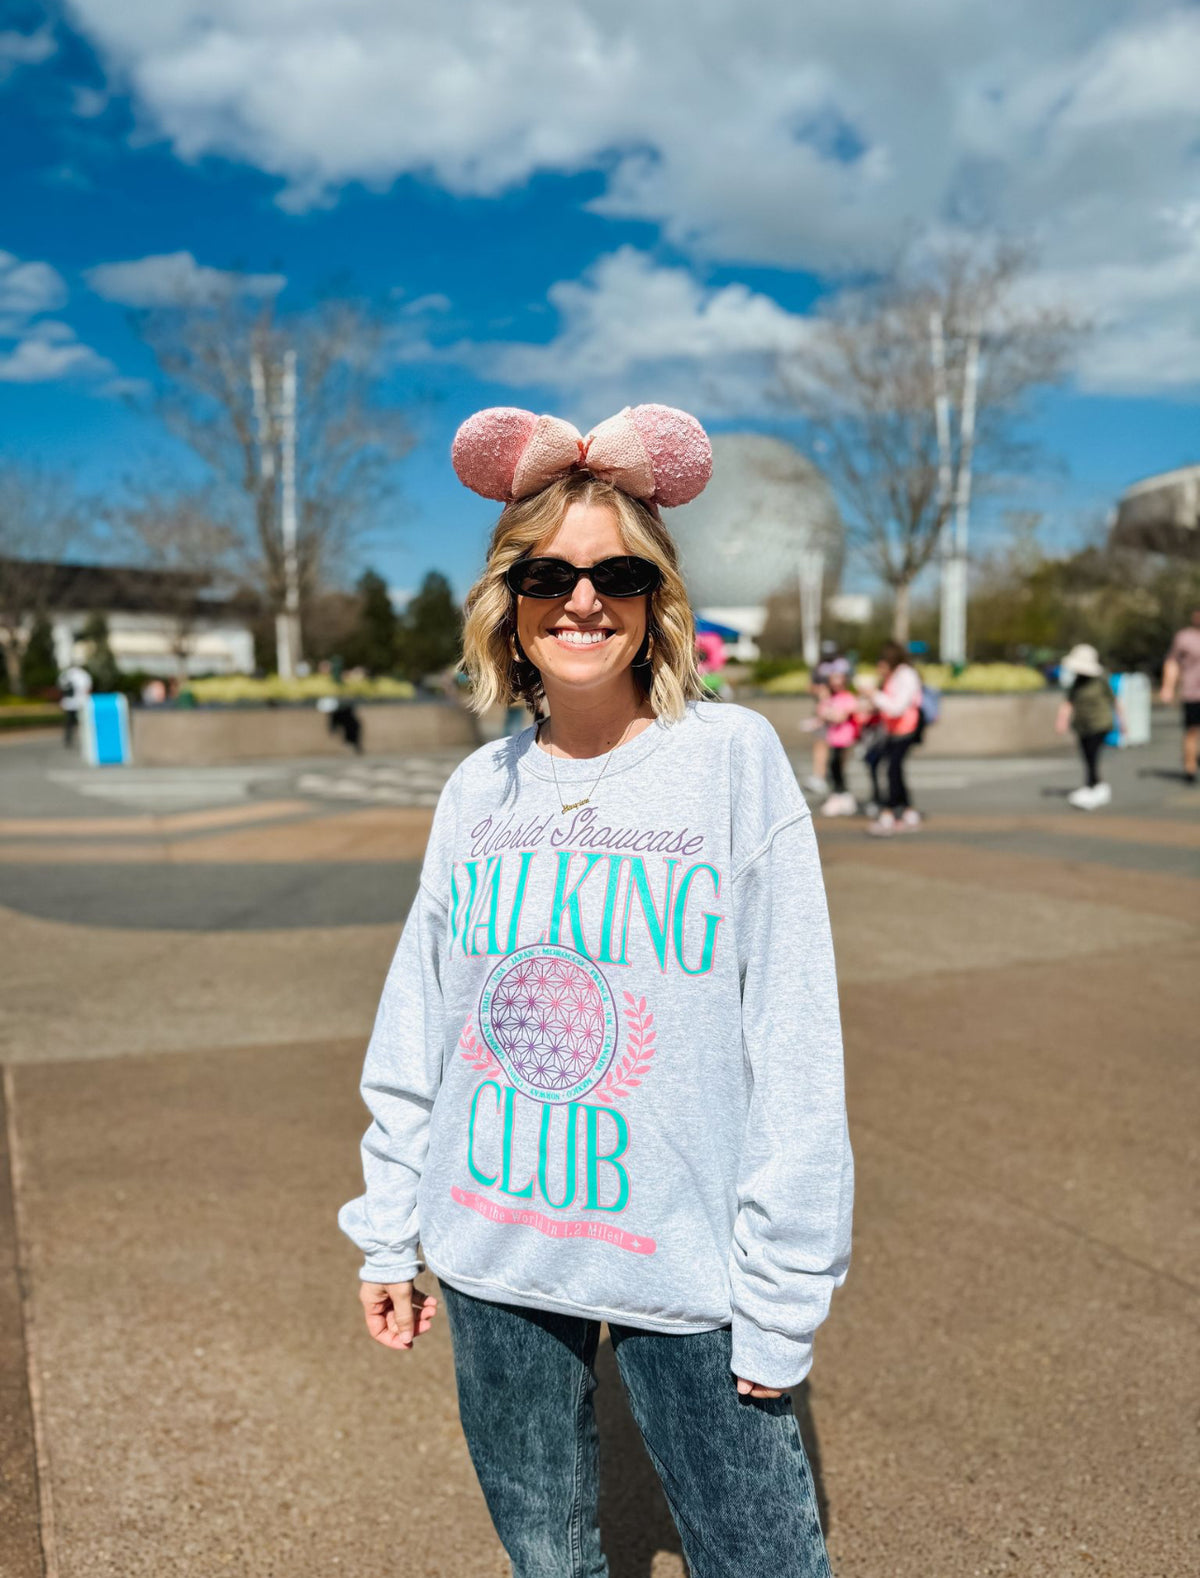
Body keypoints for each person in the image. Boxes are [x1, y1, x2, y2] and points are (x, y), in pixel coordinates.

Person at [339, 404, 852, 1578]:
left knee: (764, 1557)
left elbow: (795, 1036)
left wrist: (783, 1285)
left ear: (656, 599)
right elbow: (423, 1021)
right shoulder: (479, 790)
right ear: (507, 606)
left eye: (617, 573)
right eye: (547, 576)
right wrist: (388, 1234)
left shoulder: (730, 760)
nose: (582, 600)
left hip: (690, 1262)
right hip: (492, 1254)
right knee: (550, 1558)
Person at [862, 641, 923, 835]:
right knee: (893, 769)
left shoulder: (905, 675)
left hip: (905, 729)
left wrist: (874, 694)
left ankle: (890, 812)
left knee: (891, 769)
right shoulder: (894, 676)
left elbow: (897, 707)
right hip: (893, 730)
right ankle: (906, 810)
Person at [1056, 643, 1118, 810]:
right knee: (1086, 755)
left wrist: (1123, 722)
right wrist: (1062, 720)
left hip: (1099, 723)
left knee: (1092, 754)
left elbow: (1114, 700)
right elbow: (1068, 702)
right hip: (1082, 724)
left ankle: (1092, 785)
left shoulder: (1101, 679)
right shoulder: (1076, 682)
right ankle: (1095, 784)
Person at [813, 659, 860, 816]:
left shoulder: (847, 697)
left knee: (838, 769)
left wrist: (830, 714)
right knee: (832, 770)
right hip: (833, 739)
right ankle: (838, 796)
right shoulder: (830, 697)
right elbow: (821, 713)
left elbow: (841, 717)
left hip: (844, 739)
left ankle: (843, 797)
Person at [1159, 605, 1200, 785]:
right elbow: (1172, 662)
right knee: (1191, 731)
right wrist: (1167, 687)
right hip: (1192, 693)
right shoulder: (1184, 638)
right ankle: (1189, 768)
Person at [803, 639, 840, 794]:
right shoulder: (818, 668)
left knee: (839, 748)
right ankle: (820, 776)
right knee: (820, 743)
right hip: (822, 710)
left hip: (838, 708)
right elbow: (810, 687)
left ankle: (835, 780)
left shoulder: (841, 666)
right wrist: (819, 690)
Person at [56, 662, 92, 749]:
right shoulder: (83, 675)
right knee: (83, 721)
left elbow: (60, 687)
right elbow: (88, 688)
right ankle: (86, 739)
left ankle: (68, 739)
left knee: (69, 722)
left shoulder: (66, 674)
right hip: (80, 702)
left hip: (69, 703)